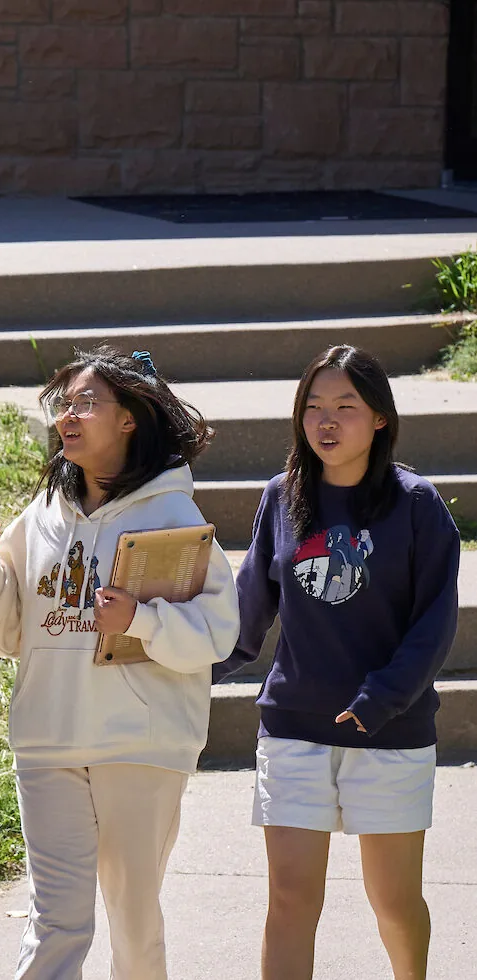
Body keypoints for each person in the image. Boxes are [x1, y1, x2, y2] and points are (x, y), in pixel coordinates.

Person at [0, 346, 239, 980]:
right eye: (63, 403)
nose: (68, 415)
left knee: (133, 922)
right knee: (55, 920)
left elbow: (216, 633)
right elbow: (7, 633)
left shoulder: (173, 516)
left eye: (86, 402)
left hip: (140, 745)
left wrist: (141, 620)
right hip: (48, 742)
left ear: (130, 420)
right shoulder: (40, 519)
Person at [215, 344, 460, 980]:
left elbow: (435, 623)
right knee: (291, 902)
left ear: (380, 417)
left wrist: (383, 698)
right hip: (295, 728)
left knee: (396, 905)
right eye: (313, 407)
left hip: (390, 733)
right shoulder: (283, 495)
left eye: (345, 407)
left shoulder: (417, 505)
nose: (326, 421)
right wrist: (196, 667)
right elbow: (250, 611)